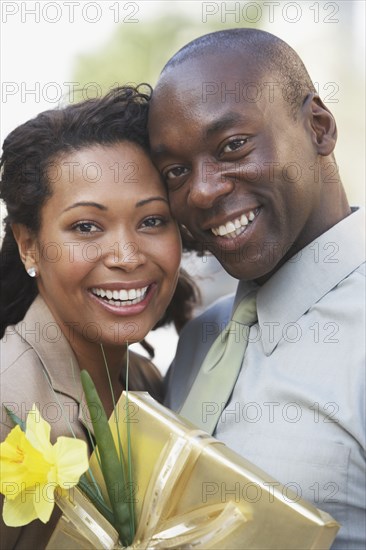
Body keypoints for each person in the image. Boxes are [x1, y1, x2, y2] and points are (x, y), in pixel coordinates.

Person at [148, 29, 365, 549]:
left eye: (233, 146)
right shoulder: (203, 338)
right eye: (176, 171)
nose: (201, 190)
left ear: (319, 127)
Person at [0, 86, 197, 549]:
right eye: (86, 226)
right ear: (29, 244)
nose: (127, 257)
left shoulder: (144, 379)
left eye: (152, 220)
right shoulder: (7, 404)